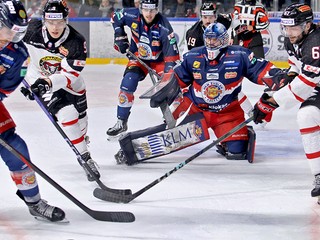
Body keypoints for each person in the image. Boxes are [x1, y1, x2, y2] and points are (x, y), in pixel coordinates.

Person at [172, 22, 276, 162]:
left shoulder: (240, 55)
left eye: (215, 39)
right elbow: (175, 79)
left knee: (237, 152)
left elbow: (262, 70)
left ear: (224, 39)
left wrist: (279, 76)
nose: (211, 42)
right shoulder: (193, 55)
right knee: (170, 141)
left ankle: (228, 139)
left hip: (227, 114)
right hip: (195, 110)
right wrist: (164, 91)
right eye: (208, 38)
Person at [20, 0, 100, 182]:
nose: (55, 27)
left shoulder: (76, 41)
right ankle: (86, 158)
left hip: (71, 83)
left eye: (59, 22)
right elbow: (11, 45)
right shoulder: (31, 30)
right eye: (50, 22)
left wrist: (47, 82)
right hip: (39, 79)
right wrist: (23, 75)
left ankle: (80, 140)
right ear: (43, 20)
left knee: (81, 121)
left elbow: (70, 75)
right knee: (67, 115)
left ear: (66, 20)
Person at [0, 0, 65, 222]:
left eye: (15, 33)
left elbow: (3, 89)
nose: (9, 37)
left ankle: (34, 202)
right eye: (6, 30)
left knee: (15, 147)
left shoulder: (17, 55)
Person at [252, 3, 320, 204]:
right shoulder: (294, 40)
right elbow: (296, 67)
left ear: (307, 26)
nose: (289, 33)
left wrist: (271, 102)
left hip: (314, 84)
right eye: (286, 28)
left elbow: (307, 83)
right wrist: (289, 76)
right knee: (306, 116)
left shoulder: (316, 43)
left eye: (294, 28)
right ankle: (319, 175)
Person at [107, 0, 180, 138]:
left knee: (171, 88)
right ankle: (121, 121)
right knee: (127, 84)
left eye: (152, 10)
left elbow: (172, 57)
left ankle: (175, 119)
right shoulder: (131, 15)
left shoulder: (164, 27)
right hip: (138, 58)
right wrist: (119, 35)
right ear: (140, 9)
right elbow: (115, 17)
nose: (149, 14)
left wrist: (167, 76)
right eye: (146, 10)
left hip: (160, 61)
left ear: (157, 10)